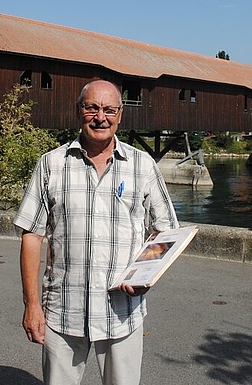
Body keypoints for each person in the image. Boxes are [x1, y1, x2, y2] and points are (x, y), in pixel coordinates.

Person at [14, 79, 179, 385]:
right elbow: (31, 235)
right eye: (92, 108)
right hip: (63, 312)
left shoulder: (142, 165)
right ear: (79, 111)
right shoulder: (51, 164)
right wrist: (32, 306)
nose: (100, 117)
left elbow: (167, 231)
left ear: (120, 114)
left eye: (109, 110)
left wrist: (145, 277)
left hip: (121, 313)